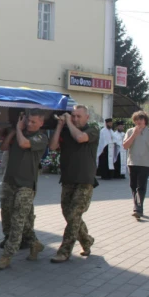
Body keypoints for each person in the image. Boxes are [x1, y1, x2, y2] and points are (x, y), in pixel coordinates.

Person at [0, 111, 48, 269]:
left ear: (41, 123)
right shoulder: (18, 134)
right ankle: (34, 243)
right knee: (8, 215)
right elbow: (3, 147)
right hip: (9, 181)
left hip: (26, 184)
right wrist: (12, 132)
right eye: (28, 121)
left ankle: (7, 256)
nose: (29, 124)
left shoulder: (41, 137)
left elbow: (24, 144)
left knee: (18, 220)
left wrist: (17, 128)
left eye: (33, 122)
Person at [48, 105, 98, 263]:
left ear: (87, 118)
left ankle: (64, 251)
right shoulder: (66, 130)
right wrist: (59, 126)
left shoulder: (93, 130)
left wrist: (68, 121)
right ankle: (87, 240)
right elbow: (53, 146)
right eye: (73, 116)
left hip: (85, 180)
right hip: (68, 179)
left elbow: (80, 138)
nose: (75, 119)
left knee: (74, 214)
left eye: (78, 116)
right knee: (68, 214)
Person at [122, 111, 149, 219]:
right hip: (132, 162)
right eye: (136, 120)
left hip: (145, 164)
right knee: (133, 186)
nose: (138, 122)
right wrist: (134, 135)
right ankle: (137, 206)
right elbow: (125, 146)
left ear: (145, 120)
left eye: (140, 119)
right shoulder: (130, 131)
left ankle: (138, 208)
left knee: (141, 186)